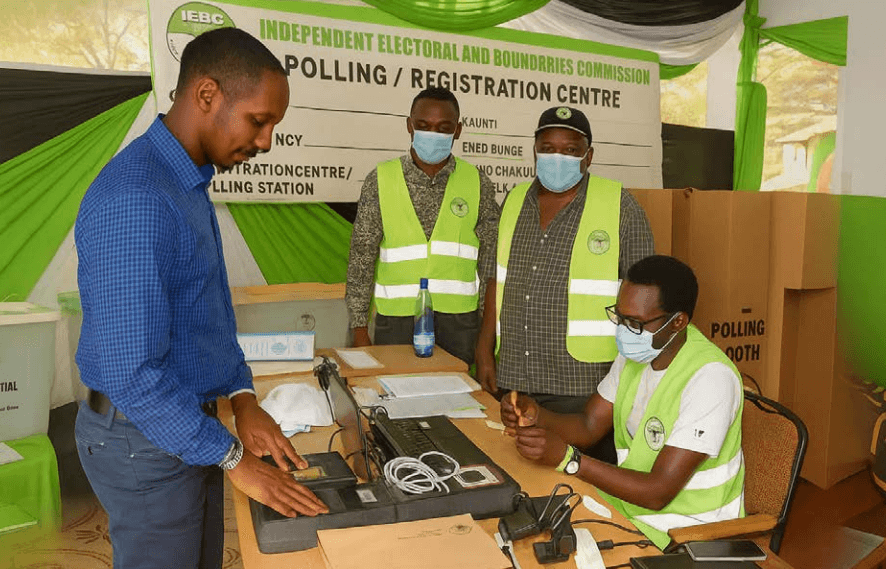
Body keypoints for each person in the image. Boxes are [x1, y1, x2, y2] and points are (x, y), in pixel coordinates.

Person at [74, 28, 327, 569]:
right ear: (207, 94)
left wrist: (243, 399)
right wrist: (233, 457)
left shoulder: (184, 182)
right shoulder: (137, 198)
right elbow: (131, 373)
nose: (266, 142)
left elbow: (207, 314)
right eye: (259, 121)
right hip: (141, 438)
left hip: (186, 427)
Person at [501, 255, 745, 548]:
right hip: (629, 510)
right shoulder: (638, 353)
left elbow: (658, 492)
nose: (625, 330)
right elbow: (589, 425)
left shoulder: (711, 378)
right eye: (620, 317)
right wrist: (536, 414)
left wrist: (569, 460)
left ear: (678, 322)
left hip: (687, 533)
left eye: (636, 322)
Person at [476, 105, 654, 462]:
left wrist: (634, 373)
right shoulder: (514, 201)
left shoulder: (620, 205)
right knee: (516, 468)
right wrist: (484, 349)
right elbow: (497, 276)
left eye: (570, 150)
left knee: (577, 476)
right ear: (535, 151)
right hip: (515, 375)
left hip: (584, 384)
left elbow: (647, 297)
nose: (558, 158)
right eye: (548, 148)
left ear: (589, 156)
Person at [345, 87, 500, 364]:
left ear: (458, 130)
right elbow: (361, 258)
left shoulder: (478, 183)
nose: (433, 134)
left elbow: (491, 262)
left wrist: (484, 331)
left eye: (444, 128)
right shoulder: (380, 180)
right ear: (409, 125)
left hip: (460, 325)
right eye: (424, 126)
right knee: (396, 389)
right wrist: (359, 328)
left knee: (456, 391)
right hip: (396, 323)